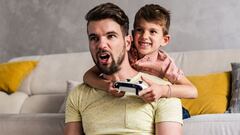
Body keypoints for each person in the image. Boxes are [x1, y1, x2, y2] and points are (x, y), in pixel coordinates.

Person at [64, 2, 183, 135]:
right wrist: (105, 86)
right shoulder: (78, 94)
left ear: (127, 43)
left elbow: (191, 90)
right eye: (94, 38)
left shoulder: (161, 92)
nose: (101, 45)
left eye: (111, 36)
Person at [83, 4, 197, 117]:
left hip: (157, 101)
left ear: (164, 40)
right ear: (132, 35)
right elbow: (88, 76)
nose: (144, 36)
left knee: (179, 114)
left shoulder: (164, 62)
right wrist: (106, 86)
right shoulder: (125, 52)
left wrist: (162, 91)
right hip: (131, 99)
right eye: (140, 30)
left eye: (152, 31)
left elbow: (192, 91)